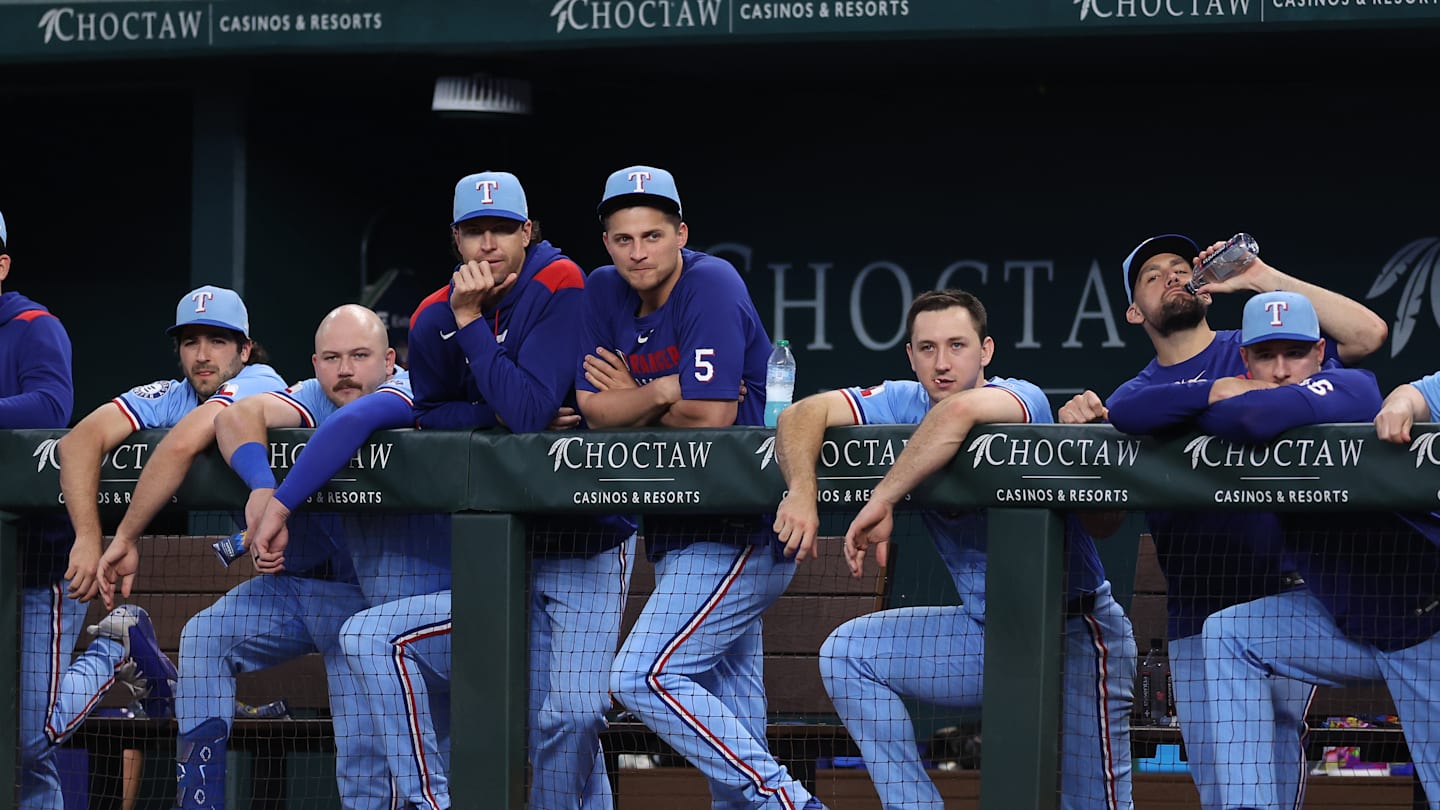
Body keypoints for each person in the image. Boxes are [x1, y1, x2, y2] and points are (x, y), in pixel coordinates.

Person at [1059, 234, 1388, 809]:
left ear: (1206, 290)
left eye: (1181, 267)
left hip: (1288, 596)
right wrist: (1082, 438)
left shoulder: (1261, 347)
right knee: (1223, 784)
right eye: (1152, 274)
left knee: (1271, 766)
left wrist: (1260, 275)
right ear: (1134, 311)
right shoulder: (1133, 395)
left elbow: (1367, 335)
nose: (1171, 276)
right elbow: (1105, 523)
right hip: (1196, 609)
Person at [786, 290, 1136, 810]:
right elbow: (801, 413)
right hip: (984, 636)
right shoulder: (902, 400)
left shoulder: (1024, 398)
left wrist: (882, 497)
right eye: (927, 348)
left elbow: (959, 413)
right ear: (910, 355)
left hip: (1075, 637)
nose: (942, 363)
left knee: (1091, 807)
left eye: (957, 345)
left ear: (986, 350)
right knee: (849, 653)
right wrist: (801, 490)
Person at [578, 165, 824, 810]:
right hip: (676, 530)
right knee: (734, 718)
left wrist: (636, 392)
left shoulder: (711, 281)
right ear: (606, 243)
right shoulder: (603, 290)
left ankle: (789, 801)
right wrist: (666, 391)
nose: (639, 251)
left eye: (653, 235)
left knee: (643, 676)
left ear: (681, 233)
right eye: (624, 238)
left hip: (740, 525)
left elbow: (712, 419)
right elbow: (591, 411)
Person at [406, 170, 634, 810]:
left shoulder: (560, 281)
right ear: (455, 238)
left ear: (526, 231)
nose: (488, 245)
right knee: (546, 724)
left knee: (579, 712)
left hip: (586, 532)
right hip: (501, 551)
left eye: (502, 229)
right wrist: (492, 410)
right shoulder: (430, 317)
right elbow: (428, 415)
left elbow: (534, 412)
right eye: (475, 231)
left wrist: (473, 324)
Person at [1190, 290, 1440, 808]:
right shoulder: (1254, 402)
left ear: (1321, 352)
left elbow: (1254, 417)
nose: (1282, 370)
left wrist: (1399, 399)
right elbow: (1135, 408)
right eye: (1266, 355)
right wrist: (1406, 399)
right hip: (1346, 624)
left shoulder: (1351, 385)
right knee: (1229, 634)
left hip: (1425, 630)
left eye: (1295, 353)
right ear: (1246, 360)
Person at [213, 303, 434, 809]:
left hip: (430, 604)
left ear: (390, 360)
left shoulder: (412, 389)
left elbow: (355, 421)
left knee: (433, 753)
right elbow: (237, 417)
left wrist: (280, 508)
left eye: (360, 356)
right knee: (362, 760)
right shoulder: (314, 396)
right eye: (332, 358)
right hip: (358, 605)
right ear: (315, 364)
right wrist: (261, 487)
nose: (346, 370)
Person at [0, 207, 86, 809]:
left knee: (29, 742)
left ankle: (118, 644)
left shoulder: (34, 325)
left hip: (36, 564)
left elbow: (50, 410)